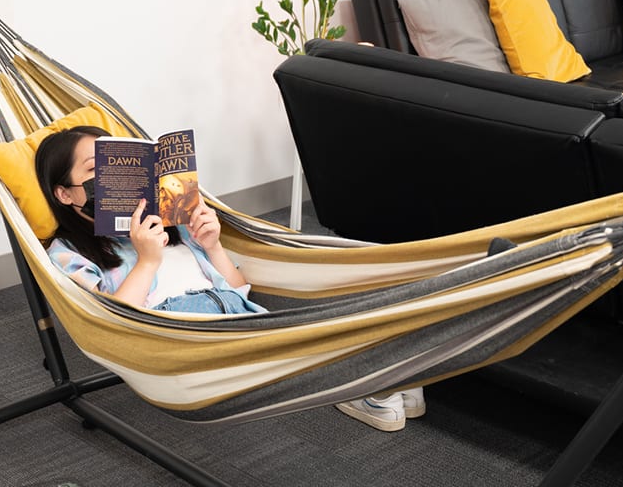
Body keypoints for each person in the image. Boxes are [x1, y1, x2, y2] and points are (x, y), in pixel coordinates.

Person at [32, 124, 423, 431]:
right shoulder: (68, 252)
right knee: (299, 348)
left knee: (310, 327)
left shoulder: (174, 223)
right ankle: (374, 378)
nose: (108, 177)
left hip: (234, 311)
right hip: (178, 335)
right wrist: (146, 261)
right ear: (64, 194)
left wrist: (214, 245)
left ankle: (384, 370)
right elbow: (108, 324)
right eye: (94, 170)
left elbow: (238, 290)